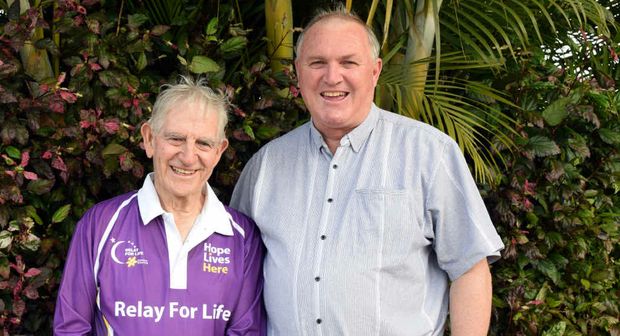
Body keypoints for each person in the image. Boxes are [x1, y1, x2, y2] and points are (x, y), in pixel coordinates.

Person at [230, 5, 504, 336]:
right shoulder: (264, 167)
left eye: (348, 62)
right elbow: (235, 276)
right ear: (298, 72)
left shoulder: (430, 154)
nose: (332, 77)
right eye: (318, 63)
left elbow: (470, 269)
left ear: (374, 71)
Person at [54, 76, 266, 335]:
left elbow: (246, 331)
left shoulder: (242, 238)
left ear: (219, 151)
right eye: (176, 139)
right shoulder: (100, 224)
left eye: (203, 143)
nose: (188, 157)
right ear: (149, 139)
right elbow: (71, 328)